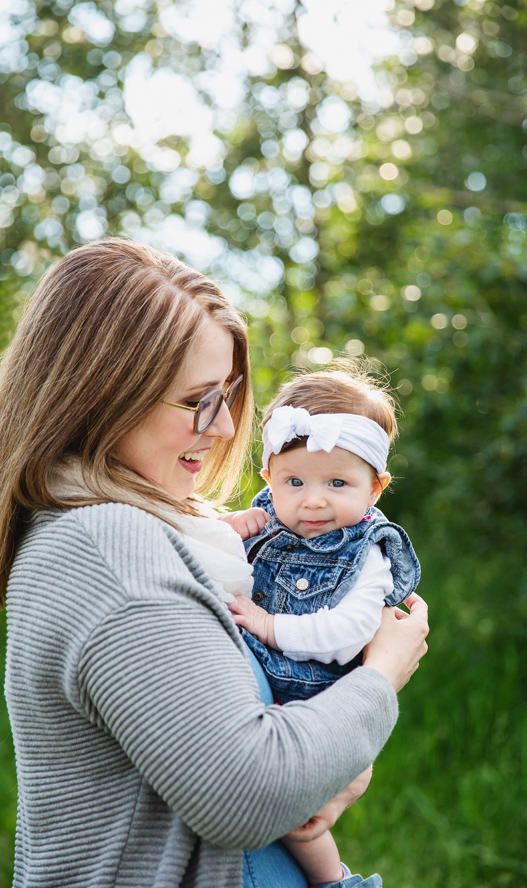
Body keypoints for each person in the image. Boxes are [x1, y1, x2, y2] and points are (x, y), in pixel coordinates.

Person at [0, 238, 430, 888]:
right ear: (103, 392)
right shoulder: (113, 550)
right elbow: (248, 792)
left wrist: (326, 777)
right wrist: (382, 677)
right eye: (198, 400)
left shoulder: (145, 531)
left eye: (229, 396)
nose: (226, 427)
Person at [220, 364, 421, 886]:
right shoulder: (264, 518)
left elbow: (350, 632)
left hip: (319, 700)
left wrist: (270, 626)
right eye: (294, 481)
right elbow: (211, 559)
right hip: (262, 700)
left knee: (303, 823)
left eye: (338, 482)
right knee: (268, 799)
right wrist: (226, 529)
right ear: (268, 478)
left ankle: (335, 881)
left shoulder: (367, 552)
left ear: (375, 488)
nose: (313, 500)